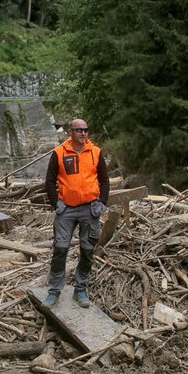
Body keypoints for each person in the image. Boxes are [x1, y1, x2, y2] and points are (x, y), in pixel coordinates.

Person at [44, 119, 110, 308]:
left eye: (86, 130)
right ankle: (54, 291)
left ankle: (80, 289)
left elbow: (105, 180)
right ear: (71, 132)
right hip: (67, 209)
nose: (83, 133)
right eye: (79, 130)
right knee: (60, 248)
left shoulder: (95, 153)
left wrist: (102, 202)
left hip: (90, 209)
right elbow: (49, 181)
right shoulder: (59, 153)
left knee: (88, 251)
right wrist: (56, 203)